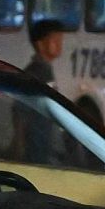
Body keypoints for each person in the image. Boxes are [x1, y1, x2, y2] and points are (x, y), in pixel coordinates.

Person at [15, 18, 67, 165]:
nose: (59, 44)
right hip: (38, 151)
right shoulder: (35, 73)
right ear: (40, 44)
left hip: (45, 148)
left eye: (60, 40)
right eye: (54, 40)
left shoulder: (45, 70)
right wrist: (20, 147)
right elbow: (20, 112)